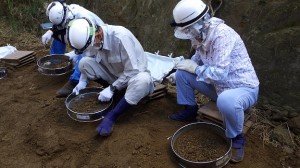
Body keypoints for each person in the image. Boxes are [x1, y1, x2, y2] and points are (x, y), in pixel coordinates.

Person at [168, 0, 260, 163]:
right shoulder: (199, 34)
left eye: (188, 29)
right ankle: (190, 110)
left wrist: (195, 69)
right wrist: (180, 71)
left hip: (243, 88)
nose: (187, 33)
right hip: (219, 88)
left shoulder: (222, 35)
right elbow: (197, 59)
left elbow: (219, 74)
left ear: (197, 23)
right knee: (182, 73)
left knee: (226, 101)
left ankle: (237, 138)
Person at [66, 18, 154, 136]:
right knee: (84, 63)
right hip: (114, 74)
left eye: (90, 47)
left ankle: (113, 115)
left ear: (98, 34)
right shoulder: (92, 40)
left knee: (143, 80)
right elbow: (89, 56)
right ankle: (117, 93)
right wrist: (82, 81)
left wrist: (112, 88)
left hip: (133, 76)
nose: (90, 50)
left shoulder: (120, 38)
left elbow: (132, 70)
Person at [41, 0, 105, 97]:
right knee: (57, 36)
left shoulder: (83, 16)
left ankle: (75, 81)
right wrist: (51, 31)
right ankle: (55, 61)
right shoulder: (63, 11)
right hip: (78, 33)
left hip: (94, 39)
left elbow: (91, 41)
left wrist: (75, 54)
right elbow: (59, 27)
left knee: (83, 54)